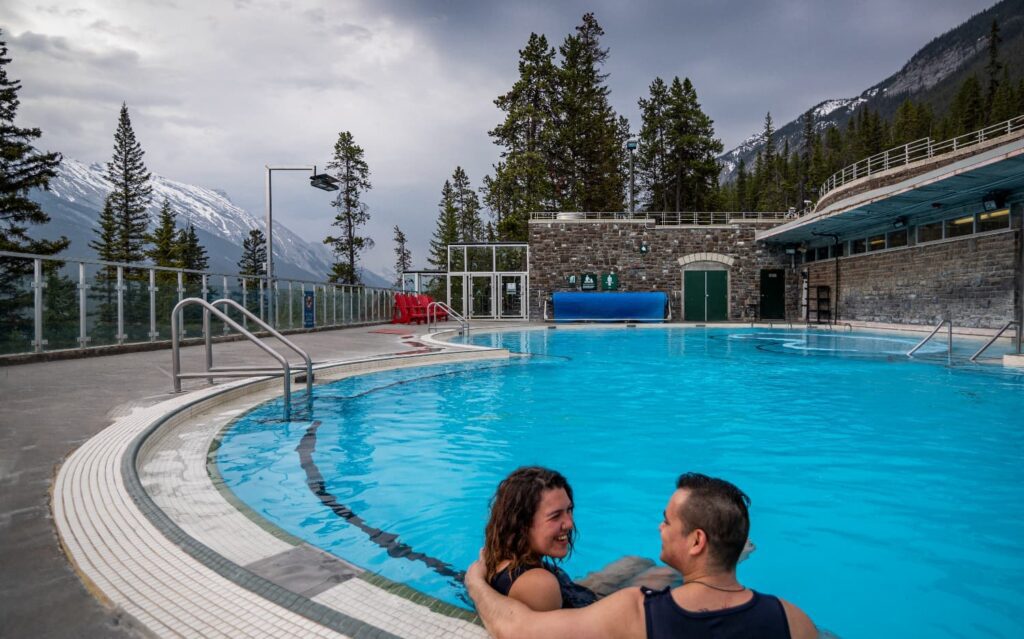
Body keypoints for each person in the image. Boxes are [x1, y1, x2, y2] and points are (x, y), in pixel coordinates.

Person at [466, 472, 818, 639]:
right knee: (646, 567)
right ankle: (724, 558)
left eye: (667, 521)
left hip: (594, 614)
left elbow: (515, 627)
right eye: (557, 515)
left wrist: (473, 580)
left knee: (647, 570)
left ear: (696, 541)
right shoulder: (795, 621)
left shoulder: (636, 612)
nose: (659, 528)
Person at [482, 466, 598, 611]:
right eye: (555, 516)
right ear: (521, 525)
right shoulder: (539, 585)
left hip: (571, 593)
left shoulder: (503, 557)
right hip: (582, 608)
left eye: (569, 510)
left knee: (632, 563)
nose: (569, 523)